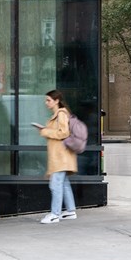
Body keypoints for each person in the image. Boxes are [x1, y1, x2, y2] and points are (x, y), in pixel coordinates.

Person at [33, 89, 77, 224]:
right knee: (63, 184)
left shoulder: (61, 114)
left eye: (49, 100)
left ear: (56, 101)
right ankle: (70, 211)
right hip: (61, 156)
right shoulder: (58, 115)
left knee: (55, 185)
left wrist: (45, 131)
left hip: (61, 156)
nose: (46, 103)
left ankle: (55, 214)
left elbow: (63, 133)